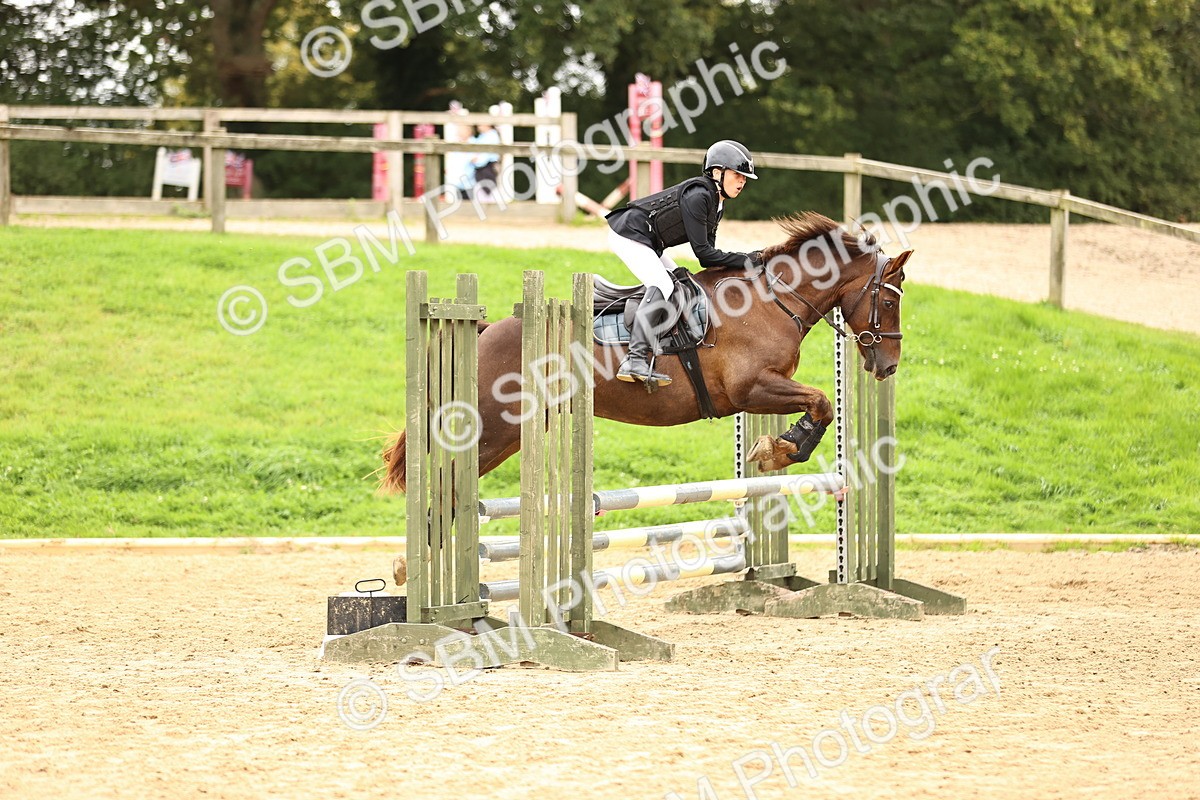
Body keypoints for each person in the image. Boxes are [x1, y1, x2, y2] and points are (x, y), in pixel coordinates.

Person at [606, 140, 763, 385]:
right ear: (717, 172)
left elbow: (710, 257)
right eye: (737, 175)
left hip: (649, 241)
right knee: (664, 285)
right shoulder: (699, 196)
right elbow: (704, 254)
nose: (742, 182)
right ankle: (634, 359)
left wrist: (745, 264)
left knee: (680, 281)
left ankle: (668, 343)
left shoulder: (717, 202)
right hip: (629, 234)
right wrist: (748, 259)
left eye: (744, 178)